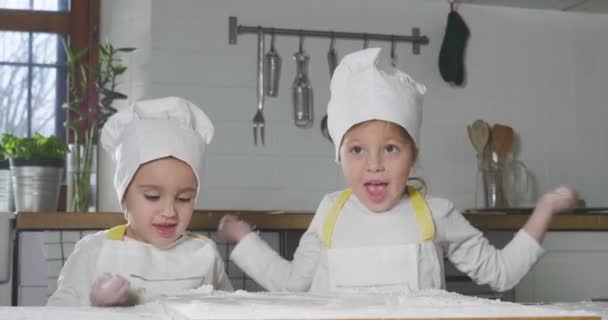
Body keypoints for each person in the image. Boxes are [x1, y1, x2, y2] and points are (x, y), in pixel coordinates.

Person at [218, 48, 576, 293]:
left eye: (390, 148)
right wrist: (244, 239)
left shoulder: (436, 214)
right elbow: (292, 283)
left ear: (413, 154)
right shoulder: (331, 212)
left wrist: (543, 211)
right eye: (357, 150)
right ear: (339, 156)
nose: (374, 164)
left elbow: (500, 273)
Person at [47, 97, 232, 307]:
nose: (169, 211)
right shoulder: (95, 252)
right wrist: (95, 308)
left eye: (184, 199)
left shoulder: (205, 253)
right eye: (152, 196)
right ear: (124, 197)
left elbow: (234, 310)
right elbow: (55, 314)